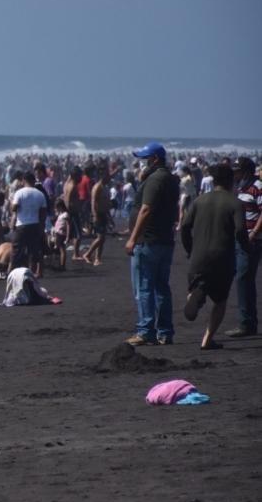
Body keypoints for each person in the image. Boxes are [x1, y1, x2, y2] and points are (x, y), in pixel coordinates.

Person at [180, 164, 249, 350]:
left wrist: (189, 248)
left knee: (198, 282)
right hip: (222, 258)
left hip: (198, 257)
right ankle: (207, 339)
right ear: (231, 181)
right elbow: (241, 230)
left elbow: (185, 227)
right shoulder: (235, 203)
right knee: (220, 300)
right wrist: (246, 247)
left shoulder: (199, 201)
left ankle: (195, 293)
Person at [124, 142, 180, 346]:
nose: (142, 164)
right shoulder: (171, 179)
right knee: (161, 287)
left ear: (154, 159)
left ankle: (145, 330)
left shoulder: (155, 180)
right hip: (164, 240)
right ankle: (164, 331)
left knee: (144, 287)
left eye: (145, 159)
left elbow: (145, 210)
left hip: (148, 240)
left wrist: (132, 238)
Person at [227, 157, 262, 338]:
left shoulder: (257, 186)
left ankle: (245, 323)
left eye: (238, 170)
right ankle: (249, 322)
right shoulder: (241, 186)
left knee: (243, 279)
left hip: (252, 239)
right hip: (242, 238)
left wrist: (254, 233)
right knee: (245, 280)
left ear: (246, 171)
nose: (235, 173)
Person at [9, 172, 47, 277]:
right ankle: (32, 272)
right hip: (35, 224)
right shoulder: (40, 194)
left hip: (21, 225)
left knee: (16, 250)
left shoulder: (19, 193)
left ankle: (12, 272)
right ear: (33, 181)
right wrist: (41, 226)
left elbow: (14, 208)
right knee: (33, 250)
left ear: (23, 181)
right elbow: (43, 212)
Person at [82, 167, 111, 266]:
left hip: (104, 214)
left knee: (102, 238)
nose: (109, 177)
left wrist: (109, 216)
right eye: (107, 175)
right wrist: (95, 216)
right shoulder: (97, 187)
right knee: (101, 237)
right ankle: (87, 254)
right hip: (98, 214)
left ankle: (97, 259)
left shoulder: (105, 187)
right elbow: (93, 202)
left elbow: (106, 202)